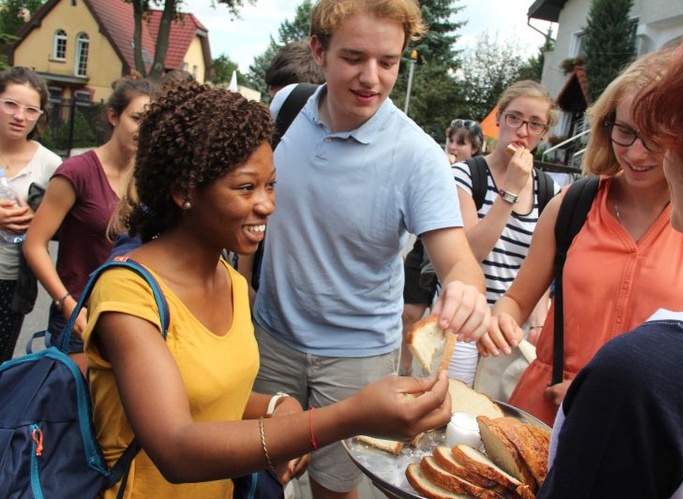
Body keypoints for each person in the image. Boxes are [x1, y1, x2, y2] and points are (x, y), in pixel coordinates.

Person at [82, 80, 451, 498]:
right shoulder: (129, 295)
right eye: (246, 188)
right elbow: (176, 447)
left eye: (271, 184)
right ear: (184, 192)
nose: (267, 205)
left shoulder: (233, 283)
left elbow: (214, 399)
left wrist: (277, 406)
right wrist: (351, 416)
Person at [250, 1, 496, 497]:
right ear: (319, 51)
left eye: (388, 62)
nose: (371, 78)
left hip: (358, 360)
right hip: (270, 339)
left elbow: (457, 260)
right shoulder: (286, 109)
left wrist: (466, 290)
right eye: (354, 58)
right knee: (252, 476)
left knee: (334, 488)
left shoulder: (419, 156)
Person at [538, 15, 683, 497]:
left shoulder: (643, 378)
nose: (652, 155)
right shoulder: (575, 205)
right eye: (627, 132)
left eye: (677, 136)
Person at [490, 50, 683, 427]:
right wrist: (501, 322)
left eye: (656, 137)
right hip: (544, 417)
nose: (636, 153)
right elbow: (516, 300)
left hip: (642, 427)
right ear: (607, 125)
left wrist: (602, 389)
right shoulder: (573, 205)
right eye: (625, 131)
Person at [23, 76, 158, 371]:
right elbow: (34, 244)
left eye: (151, 121)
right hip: (79, 316)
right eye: (136, 118)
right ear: (113, 116)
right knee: (73, 410)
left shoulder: (149, 178)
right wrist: (67, 304)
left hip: (129, 313)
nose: (143, 129)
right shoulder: (77, 171)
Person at [449, 81, 559, 386]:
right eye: (514, 118)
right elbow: (467, 254)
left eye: (535, 124)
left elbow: (539, 267)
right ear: (498, 118)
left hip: (508, 330)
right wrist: (510, 190)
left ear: (545, 132)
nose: (523, 131)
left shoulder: (549, 191)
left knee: (492, 419)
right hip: (461, 322)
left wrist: (537, 325)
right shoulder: (466, 175)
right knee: (445, 416)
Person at [399, 118, 484, 376]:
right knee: (409, 312)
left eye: (462, 143)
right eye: (451, 140)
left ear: (475, 149)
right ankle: (404, 365)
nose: (454, 147)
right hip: (424, 250)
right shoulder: (437, 164)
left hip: (452, 252)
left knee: (442, 317)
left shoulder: (471, 176)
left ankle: (430, 365)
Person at [0, 67, 62, 362]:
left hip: (11, 283)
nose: (19, 116)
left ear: (40, 116)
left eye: (30, 109)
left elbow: (60, 225)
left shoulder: (50, 164)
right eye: (10, 104)